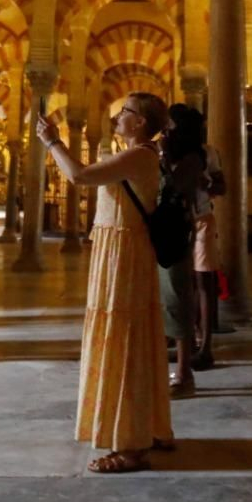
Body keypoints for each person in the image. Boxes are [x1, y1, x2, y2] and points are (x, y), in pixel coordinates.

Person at [36, 93, 173, 474]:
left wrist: (52, 141)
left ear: (141, 122)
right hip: (119, 249)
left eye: (125, 111)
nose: (117, 115)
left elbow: (79, 175)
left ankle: (130, 446)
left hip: (125, 255)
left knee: (124, 339)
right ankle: (149, 426)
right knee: (132, 336)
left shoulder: (140, 155)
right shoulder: (138, 154)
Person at [160, 103, 208, 396]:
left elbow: (175, 187)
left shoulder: (192, 159)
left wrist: (163, 159)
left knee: (178, 296)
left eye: (170, 124)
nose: (166, 129)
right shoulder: (182, 156)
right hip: (168, 227)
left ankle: (184, 373)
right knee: (170, 295)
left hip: (176, 229)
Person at [190, 128, 225, 371]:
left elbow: (222, 187)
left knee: (204, 281)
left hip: (201, 219)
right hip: (178, 223)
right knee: (185, 282)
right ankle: (189, 340)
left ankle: (205, 346)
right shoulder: (165, 150)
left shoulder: (207, 153)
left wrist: (205, 183)